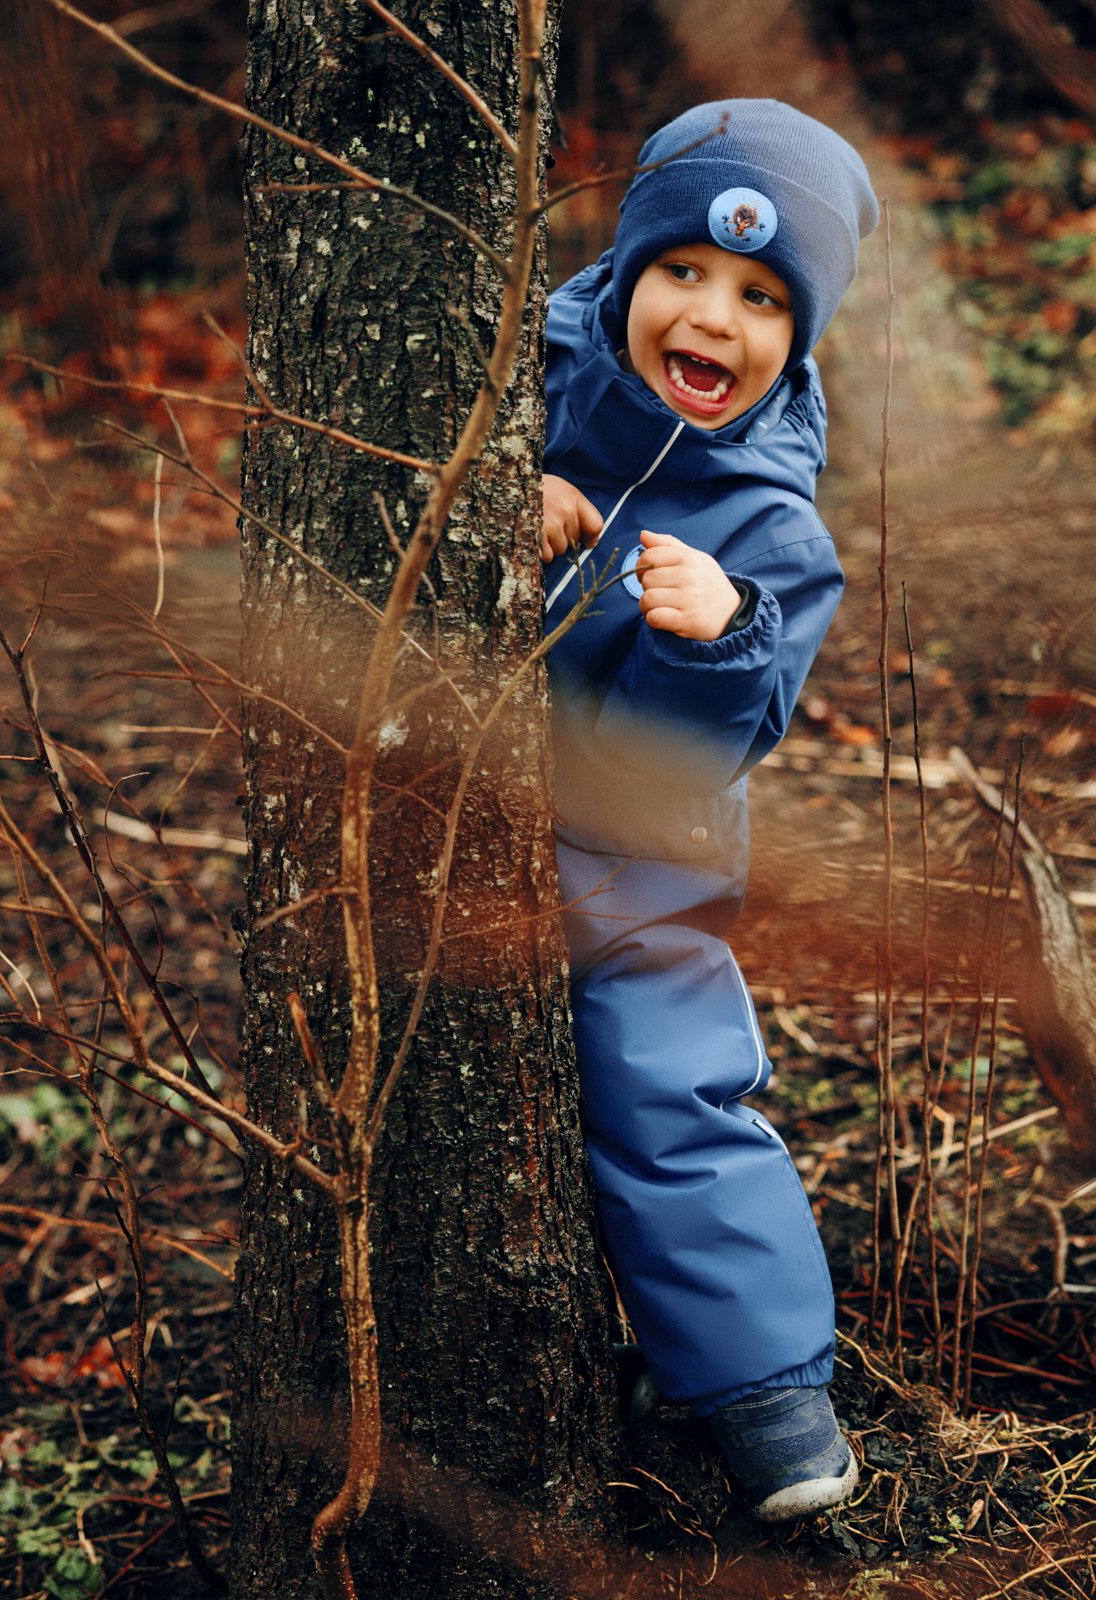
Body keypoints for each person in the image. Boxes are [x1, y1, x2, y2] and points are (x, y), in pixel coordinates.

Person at [540, 98, 878, 1523]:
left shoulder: (773, 533)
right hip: (441, 818)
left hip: (635, 854)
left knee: (665, 1072)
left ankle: (761, 1384)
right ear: (623, 274)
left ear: (798, 339)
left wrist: (715, 635)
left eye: (759, 298)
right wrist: (523, 495)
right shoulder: (525, 383)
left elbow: (698, 759)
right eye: (681, 271)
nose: (712, 317)